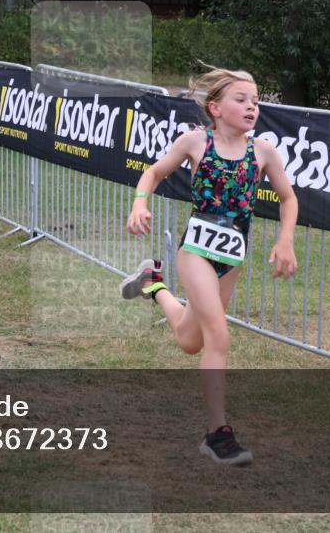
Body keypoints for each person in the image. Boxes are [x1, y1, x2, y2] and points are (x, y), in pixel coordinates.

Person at [121, 67, 298, 466]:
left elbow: (288, 199)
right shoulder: (196, 141)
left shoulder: (264, 152)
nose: (251, 106)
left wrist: (285, 239)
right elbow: (153, 172)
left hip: (230, 258)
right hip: (196, 252)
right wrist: (139, 202)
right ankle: (217, 435)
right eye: (241, 99)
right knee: (218, 337)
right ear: (215, 108)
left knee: (190, 341)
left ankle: (153, 284)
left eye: (255, 100)